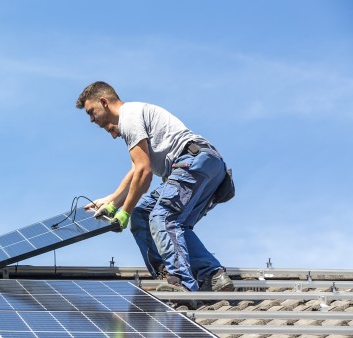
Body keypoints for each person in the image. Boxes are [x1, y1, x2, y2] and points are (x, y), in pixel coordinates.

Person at [76, 81, 234, 292]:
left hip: (191, 163)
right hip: (208, 165)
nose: (91, 119)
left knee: (162, 217)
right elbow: (136, 171)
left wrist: (123, 212)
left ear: (103, 102)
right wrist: (112, 200)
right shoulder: (136, 115)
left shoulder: (128, 117)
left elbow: (144, 173)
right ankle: (213, 275)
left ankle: (179, 282)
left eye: (91, 112)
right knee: (144, 215)